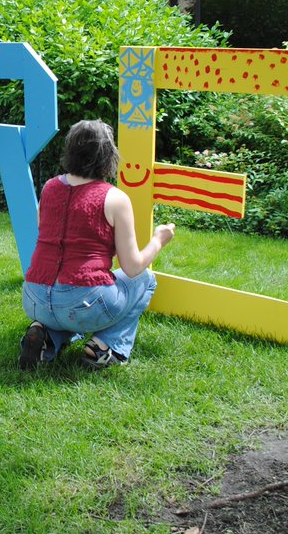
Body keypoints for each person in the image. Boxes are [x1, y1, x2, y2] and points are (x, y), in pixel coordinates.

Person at [18, 119, 175, 370]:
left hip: (34, 297)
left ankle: (44, 337)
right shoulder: (115, 198)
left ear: (70, 150)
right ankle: (104, 346)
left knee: (64, 309)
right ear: (108, 155)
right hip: (82, 303)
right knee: (145, 279)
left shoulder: (49, 187)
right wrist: (159, 239)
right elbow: (132, 267)